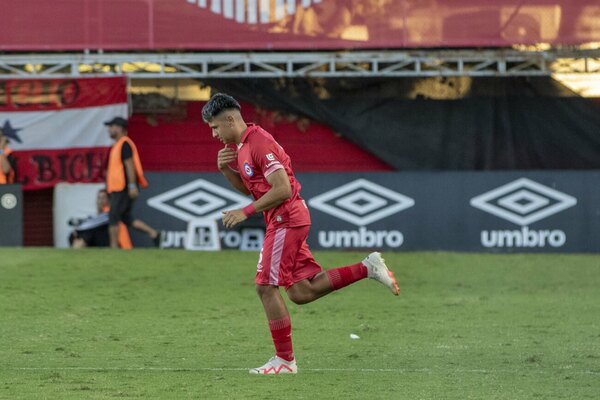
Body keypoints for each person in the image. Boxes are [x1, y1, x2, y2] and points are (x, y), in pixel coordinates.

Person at [202, 93, 400, 375]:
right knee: (300, 292)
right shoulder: (243, 147)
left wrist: (244, 212)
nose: (213, 134)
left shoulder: (259, 143)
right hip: (282, 218)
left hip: (286, 218)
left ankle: (284, 361)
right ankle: (367, 267)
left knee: (264, 286)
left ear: (230, 119)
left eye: (215, 127)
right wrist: (226, 170)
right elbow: (254, 188)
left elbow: (281, 188)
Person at [104, 116, 162, 248]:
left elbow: (129, 165)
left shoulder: (124, 143)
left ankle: (113, 247)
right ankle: (154, 234)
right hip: (118, 187)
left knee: (113, 216)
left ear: (119, 128)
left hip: (123, 187)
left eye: (111, 126)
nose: (109, 130)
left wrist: (131, 185)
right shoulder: (117, 145)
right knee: (126, 218)